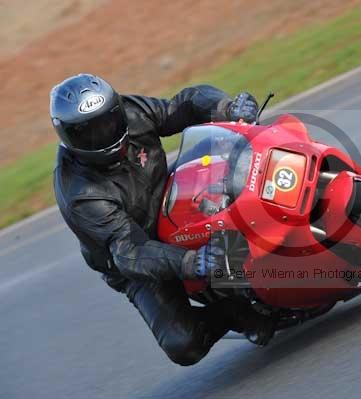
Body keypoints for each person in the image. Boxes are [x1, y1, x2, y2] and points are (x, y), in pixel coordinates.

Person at [51, 73, 274, 366]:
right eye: (90, 132)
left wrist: (227, 108)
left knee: (239, 172)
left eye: (108, 121)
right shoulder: (80, 192)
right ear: (70, 138)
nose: (105, 133)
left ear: (115, 109)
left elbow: (181, 106)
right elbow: (130, 252)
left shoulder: (130, 113)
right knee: (184, 343)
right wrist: (194, 262)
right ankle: (236, 310)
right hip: (133, 255)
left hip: (169, 198)